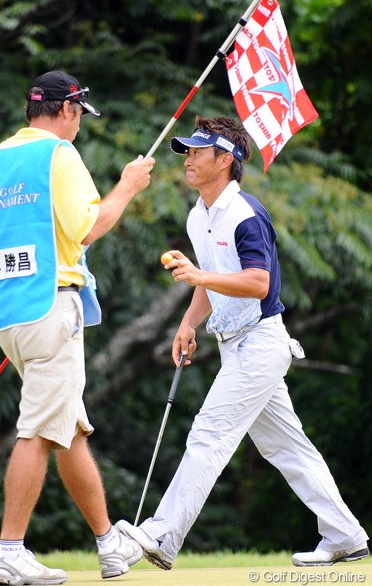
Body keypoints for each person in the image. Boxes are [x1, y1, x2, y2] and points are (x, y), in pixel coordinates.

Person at [116, 115, 369, 570]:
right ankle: (346, 535)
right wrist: (189, 323)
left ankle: (161, 536)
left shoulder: (244, 213)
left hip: (259, 343)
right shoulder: (199, 214)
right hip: (236, 344)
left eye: (197, 151)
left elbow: (256, 281)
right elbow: (212, 281)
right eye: (187, 151)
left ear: (225, 159)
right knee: (288, 449)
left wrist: (198, 275)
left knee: (208, 435)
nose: (188, 159)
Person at [0, 70, 155, 584]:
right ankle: (10, 550)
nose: (78, 128)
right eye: (79, 118)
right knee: (36, 431)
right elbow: (90, 227)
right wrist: (126, 186)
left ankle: (108, 543)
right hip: (51, 309)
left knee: (67, 427)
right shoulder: (58, 155)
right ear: (69, 109)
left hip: (9, 315)